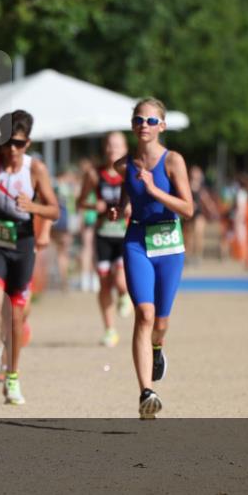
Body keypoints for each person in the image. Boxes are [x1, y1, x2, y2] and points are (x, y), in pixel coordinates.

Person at [0, 110, 59, 405]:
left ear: (27, 143)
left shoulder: (36, 170)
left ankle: (13, 377)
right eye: (7, 142)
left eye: (18, 143)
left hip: (22, 245)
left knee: (16, 315)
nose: (11, 149)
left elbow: (54, 210)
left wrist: (33, 206)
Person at [108, 98, 193, 419]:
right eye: (139, 120)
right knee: (144, 313)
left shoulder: (173, 162)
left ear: (163, 126)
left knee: (160, 322)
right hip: (137, 241)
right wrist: (121, 206)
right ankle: (146, 393)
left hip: (169, 243)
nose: (145, 125)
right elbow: (127, 191)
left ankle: (158, 347)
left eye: (152, 121)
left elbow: (188, 209)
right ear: (133, 125)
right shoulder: (124, 165)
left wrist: (154, 190)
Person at [81, 131, 132, 347]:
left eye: (118, 146)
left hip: (125, 234)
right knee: (104, 284)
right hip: (103, 234)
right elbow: (81, 201)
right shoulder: (95, 174)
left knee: (119, 279)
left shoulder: (130, 172)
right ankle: (110, 330)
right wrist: (95, 206)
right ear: (105, 148)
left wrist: (130, 209)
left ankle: (124, 294)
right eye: (110, 146)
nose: (113, 150)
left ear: (126, 149)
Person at [183, 165, 219, 265]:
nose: (196, 174)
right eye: (194, 172)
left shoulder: (201, 188)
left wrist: (213, 211)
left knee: (199, 233)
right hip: (189, 214)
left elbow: (206, 200)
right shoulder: (186, 186)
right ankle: (188, 255)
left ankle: (198, 256)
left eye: (197, 173)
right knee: (188, 236)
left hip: (199, 214)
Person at [76, 159, 100, 291]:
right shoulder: (94, 184)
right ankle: (89, 278)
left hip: (93, 218)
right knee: (90, 249)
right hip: (91, 218)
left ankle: (90, 279)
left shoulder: (85, 184)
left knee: (89, 249)